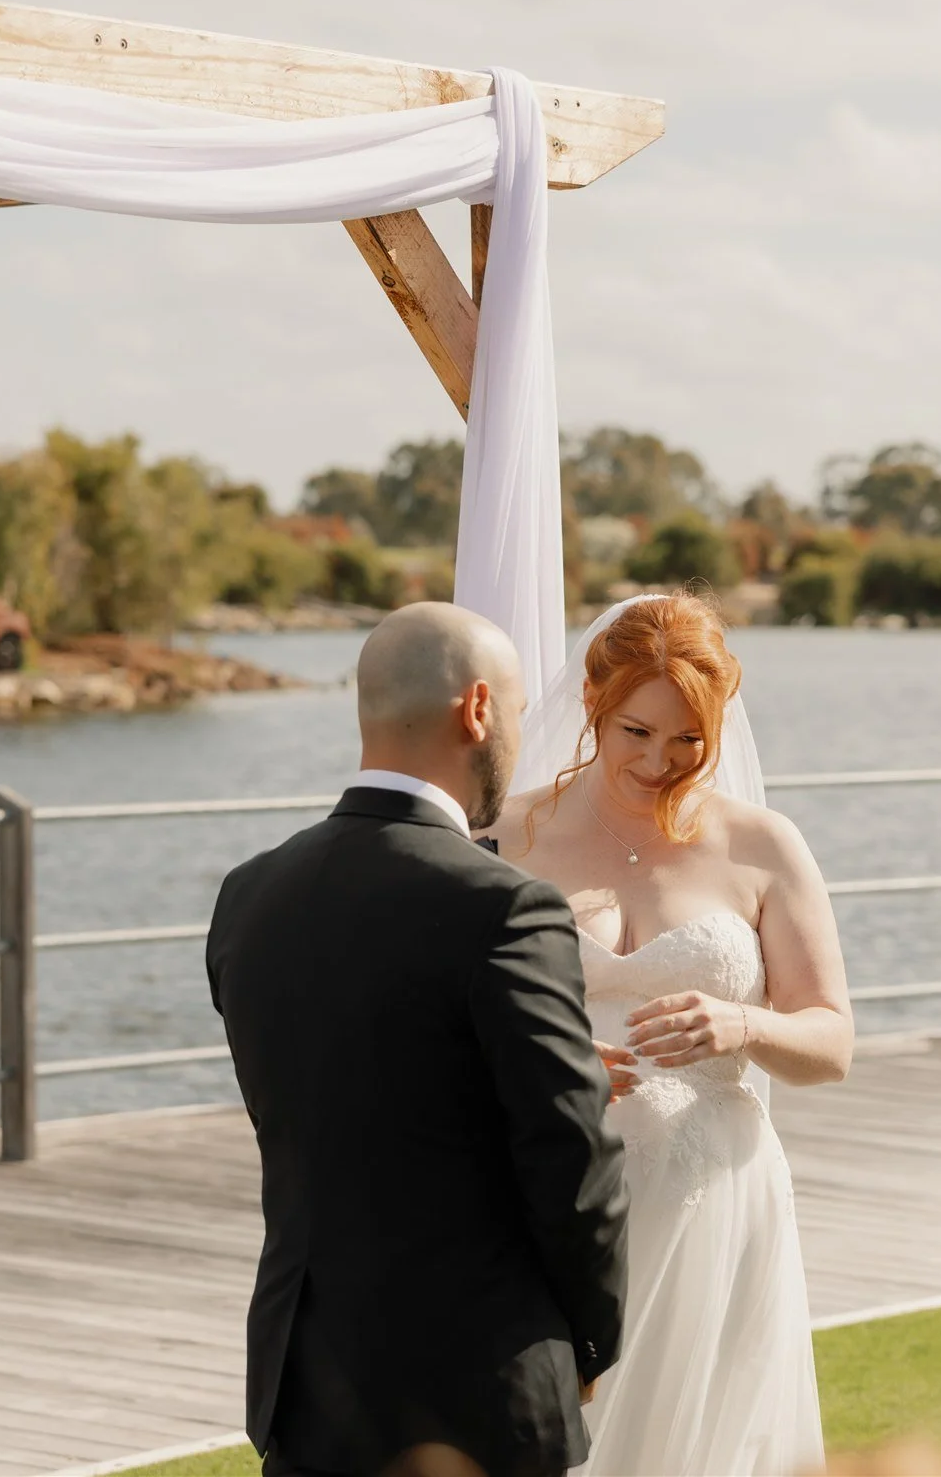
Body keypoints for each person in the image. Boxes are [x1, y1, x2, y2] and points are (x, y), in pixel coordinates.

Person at [206, 602, 628, 1477]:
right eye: (515, 712)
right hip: (480, 1385)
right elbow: (572, 1157)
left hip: (306, 1383)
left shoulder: (250, 895)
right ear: (478, 710)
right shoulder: (505, 906)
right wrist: (588, 1344)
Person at [486, 591, 851, 1476]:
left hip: (713, 1194)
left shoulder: (762, 846)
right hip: (552, 1188)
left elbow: (831, 1044)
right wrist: (549, 1071)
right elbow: (452, 1027)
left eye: (688, 738)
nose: (659, 761)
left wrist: (742, 1022)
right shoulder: (505, 837)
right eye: (636, 732)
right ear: (595, 709)